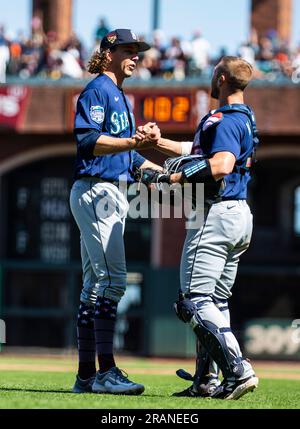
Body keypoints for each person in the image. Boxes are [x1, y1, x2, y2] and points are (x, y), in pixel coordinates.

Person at [138, 56, 259, 400]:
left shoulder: (221, 119)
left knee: (192, 302)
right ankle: (207, 381)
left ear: (220, 78)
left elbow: (220, 164)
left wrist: (169, 176)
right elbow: (196, 151)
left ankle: (237, 370)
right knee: (216, 302)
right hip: (238, 215)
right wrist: (157, 143)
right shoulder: (243, 117)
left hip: (215, 215)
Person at [69, 29, 161, 395]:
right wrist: (132, 141)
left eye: (137, 50)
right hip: (96, 190)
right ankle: (106, 372)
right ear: (108, 53)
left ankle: (86, 376)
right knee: (112, 282)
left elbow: (127, 154)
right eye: (128, 49)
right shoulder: (97, 90)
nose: (135, 56)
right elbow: (88, 141)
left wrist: (151, 168)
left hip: (109, 191)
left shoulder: (121, 95)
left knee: (94, 288)